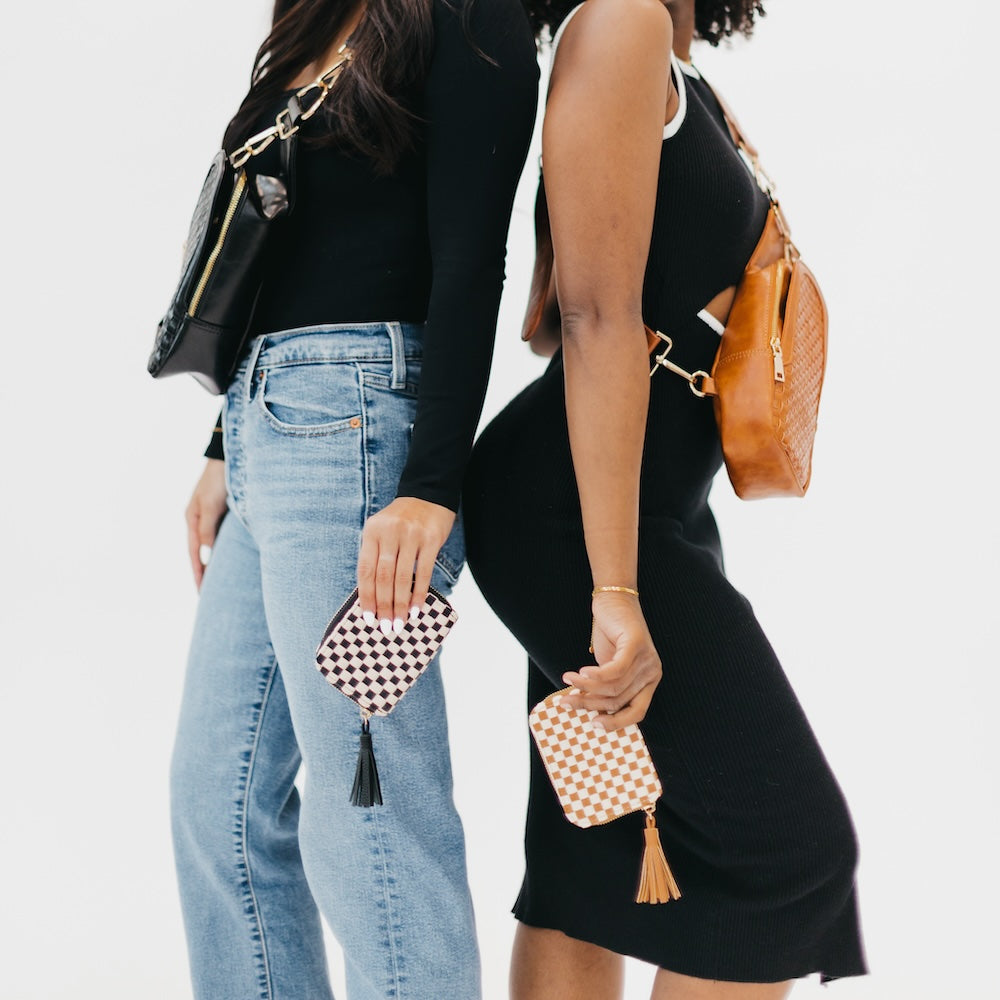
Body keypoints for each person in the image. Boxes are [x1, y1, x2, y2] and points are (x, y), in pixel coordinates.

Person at [462, 1, 867, 997]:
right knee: (790, 859)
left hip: (647, 512)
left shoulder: (674, 64)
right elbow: (592, 319)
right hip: (577, 522)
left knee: (592, 855)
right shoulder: (620, 22)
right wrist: (614, 589)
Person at [169, 1, 538, 997]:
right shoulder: (315, 15)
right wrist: (225, 445)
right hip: (267, 421)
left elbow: (473, 262)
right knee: (217, 802)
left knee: (372, 817)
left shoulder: (473, 18)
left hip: (361, 433)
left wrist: (431, 485)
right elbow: (283, 242)